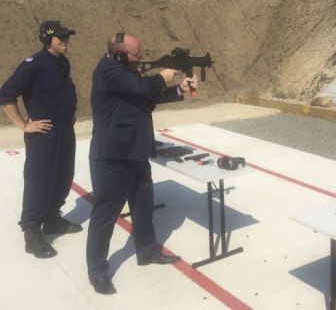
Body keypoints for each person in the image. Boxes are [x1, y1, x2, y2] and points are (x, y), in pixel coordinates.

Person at [86, 32, 197, 295]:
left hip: (135, 152)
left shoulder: (127, 71)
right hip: (114, 157)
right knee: (105, 217)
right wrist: (162, 76)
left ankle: (146, 251)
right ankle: (97, 272)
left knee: (143, 207)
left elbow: (148, 97)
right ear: (119, 54)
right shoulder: (108, 71)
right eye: (136, 54)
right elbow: (143, 88)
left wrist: (180, 88)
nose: (140, 58)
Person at [0, 20, 82, 259]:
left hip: (65, 130)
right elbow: (6, 95)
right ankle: (32, 232)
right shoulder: (33, 65)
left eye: (67, 36)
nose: (65, 40)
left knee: (63, 176)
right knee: (40, 180)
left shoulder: (62, 62)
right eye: (60, 37)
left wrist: (70, 115)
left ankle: (52, 219)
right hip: (43, 133)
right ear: (47, 39)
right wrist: (25, 125)